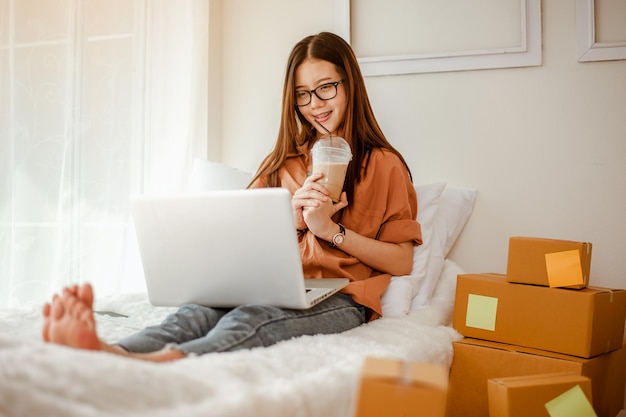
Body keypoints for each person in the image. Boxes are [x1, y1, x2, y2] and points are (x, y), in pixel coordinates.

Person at [42, 31, 422, 362]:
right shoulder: (281, 164)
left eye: (326, 87)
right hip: (274, 283)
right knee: (194, 312)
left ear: (349, 84)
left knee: (252, 318)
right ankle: (115, 352)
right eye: (303, 94)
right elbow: (238, 243)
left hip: (344, 297)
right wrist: (289, 219)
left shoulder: (385, 165)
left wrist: (330, 232)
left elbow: (402, 260)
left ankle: (163, 363)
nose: (315, 104)